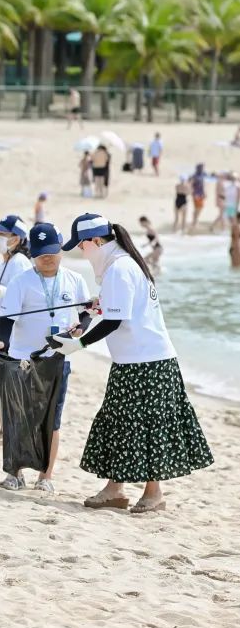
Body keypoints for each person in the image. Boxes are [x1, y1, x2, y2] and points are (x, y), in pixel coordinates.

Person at [48, 213, 213, 513]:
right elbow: (115, 310)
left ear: (95, 241)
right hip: (137, 360)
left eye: (81, 246)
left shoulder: (120, 268)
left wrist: (79, 344)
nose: (81, 253)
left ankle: (154, 494)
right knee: (120, 422)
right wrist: (92, 312)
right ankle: (115, 489)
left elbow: (115, 320)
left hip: (147, 362)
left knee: (146, 426)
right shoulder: (120, 264)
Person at [0, 222, 91, 493]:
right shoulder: (21, 281)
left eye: (52, 251)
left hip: (57, 359)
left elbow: (86, 311)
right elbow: (7, 318)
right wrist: (2, 341)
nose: (48, 257)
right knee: (18, 416)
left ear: (61, 249)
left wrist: (81, 327)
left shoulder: (75, 279)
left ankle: (46, 477)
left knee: (51, 419)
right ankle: (14, 473)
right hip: (23, 357)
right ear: (33, 252)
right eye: (41, 252)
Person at [0, 214, 33, 447]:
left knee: (10, 381)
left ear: (17, 238)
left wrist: (2, 294)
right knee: (3, 381)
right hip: (1, 323)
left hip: (12, 329)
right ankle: (5, 429)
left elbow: (21, 297)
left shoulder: (19, 262)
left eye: (3, 233)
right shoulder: (6, 261)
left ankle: (11, 431)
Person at [190, 163, 207, 232]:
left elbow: (203, 184)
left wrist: (204, 192)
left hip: (201, 194)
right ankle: (195, 221)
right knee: (197, 208)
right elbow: (191, 184)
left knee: (201, 207)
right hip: (196, 194)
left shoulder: (202, 175)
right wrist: (193, 193)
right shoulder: (195, 176)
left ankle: (195, 220)